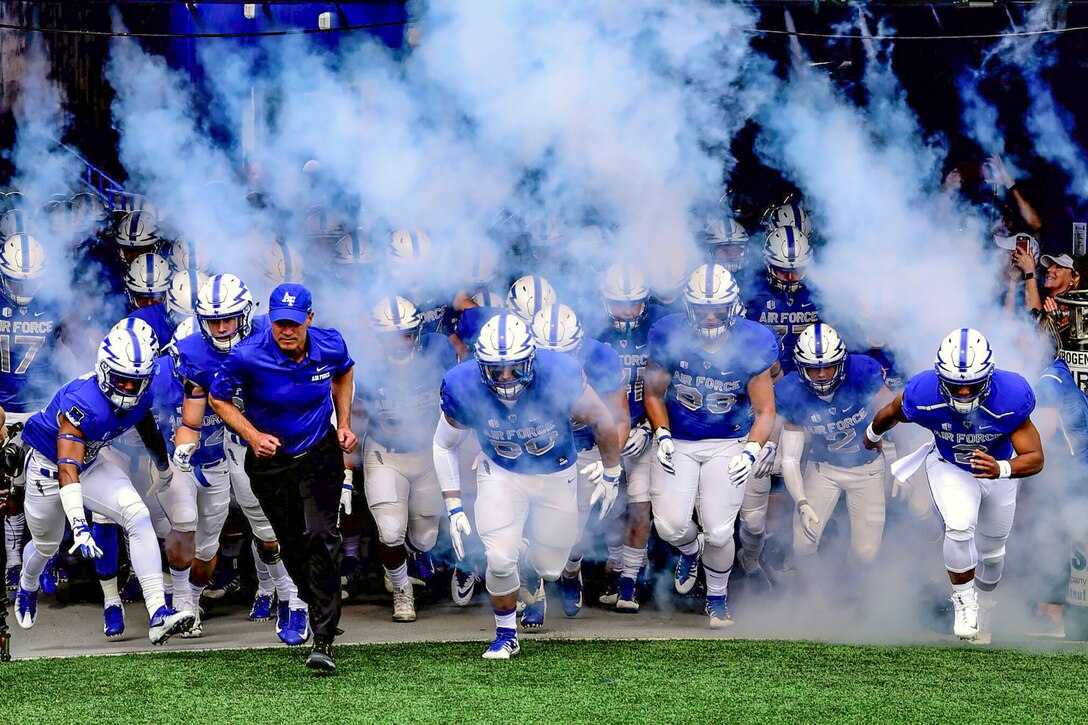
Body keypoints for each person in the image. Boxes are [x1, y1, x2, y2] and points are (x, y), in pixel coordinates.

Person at [432, 313, 622, 659]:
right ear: (480, 365)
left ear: (531, 359)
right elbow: (444, 443)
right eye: (496, 369)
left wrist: (612, 471)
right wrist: (453, 504)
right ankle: (506, 633)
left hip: (555, 471)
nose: (506, 377)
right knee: (499, 558)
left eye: (515, 367)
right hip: (501, 472)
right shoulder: (463, 384)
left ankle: (531, 571)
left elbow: (601, 419)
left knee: (551, 566)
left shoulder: (558, 373)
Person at [14, 321, 194, 644]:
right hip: (48, 468)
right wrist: (80, 526)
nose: (128, 389)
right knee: (47, 545)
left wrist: (164, 468)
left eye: (135, 382)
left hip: (91, 461)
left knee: (136, 515)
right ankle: (28, 583)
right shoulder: (83, 403)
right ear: (104, 371)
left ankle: (158, 614)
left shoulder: (143, 388)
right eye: (122, 381)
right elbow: (66, 469)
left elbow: (146, 425)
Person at [209, 283, 357, 673]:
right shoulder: (247, 355)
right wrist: (253, 436)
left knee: (322, 536)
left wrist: (343, 423)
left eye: (293, 323)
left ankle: (323, 637)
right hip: (272, 462)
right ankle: (316, 599)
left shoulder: (331, 345)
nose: (286, 331)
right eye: (279, 324)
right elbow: (217, 398)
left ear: (309, 318)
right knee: (290, 543)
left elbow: (344, 373)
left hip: (319, 453)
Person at [865, 328, 1044, 643]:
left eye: (971, 386)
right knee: (959, 527)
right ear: (940, 378)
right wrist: (872, 434)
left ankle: (986, 605)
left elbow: (1035, 457)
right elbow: (891, 412)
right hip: (950, 465)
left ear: (987, 378)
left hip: (998, 471)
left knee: (992, 551)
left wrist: (1001, 468)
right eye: (955, 386)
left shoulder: (1011, 396)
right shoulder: (924, 393)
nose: (963, 394)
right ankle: (964, 602)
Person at [644, 263, 778, 627]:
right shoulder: (670, 335)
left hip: (728, 441)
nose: (710, 316)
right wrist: (662, 434)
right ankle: (690, 550)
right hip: (682, 439)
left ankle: (717, 598)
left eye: (718, 307)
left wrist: (751, 449)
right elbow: (653, 393)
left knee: (719, 530)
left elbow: (765, 410)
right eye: (702, 308)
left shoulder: (751, 341)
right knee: (669, 526)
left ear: (733, 306)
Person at [174, 274, 305, 641]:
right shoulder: (195, 353)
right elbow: (191, 416)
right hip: (239, 446)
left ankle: (294, 599)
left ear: (245, 314)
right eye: (213, 320)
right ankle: (193, 599)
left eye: (228, 318)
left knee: (287, 527)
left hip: (286, 439)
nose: (220, 327)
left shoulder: (273, 333)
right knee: (263, 530)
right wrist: (184, 445)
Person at [353, 296, 456, 622]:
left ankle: (409, 558)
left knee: (424, 538)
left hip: (427, 453)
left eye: (407, 335)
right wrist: (346, 468)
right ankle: (400, 588)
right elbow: (353, 418)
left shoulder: (438, 353)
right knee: (389, 531)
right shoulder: (367, 365)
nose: (399, 344)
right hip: (386, 453)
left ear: (418, 332)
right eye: (390, 337)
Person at [775, 323, 895, 589]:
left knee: (866, 555)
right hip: (824, 468)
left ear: (842, 362)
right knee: (803, 543)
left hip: (867, 468)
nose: (820, 374)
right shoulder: (791, 391)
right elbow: (790, 458)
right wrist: (802, 501)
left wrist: (901, 463)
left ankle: (851, 591)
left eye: (827, 366)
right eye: (813, 368)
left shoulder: (861, 373)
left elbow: (893, 416)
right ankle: (818, 595)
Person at [594, 264, 671, 612]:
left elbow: (669, 386)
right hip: (604, 432)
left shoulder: (658, 330)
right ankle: (615, 567)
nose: (627, 311)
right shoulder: (593, 333)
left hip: (645, 431)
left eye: (634, 303)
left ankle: (629, 582)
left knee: (641, 509)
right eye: (619, 303)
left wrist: (649, 427)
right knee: (608, 507)